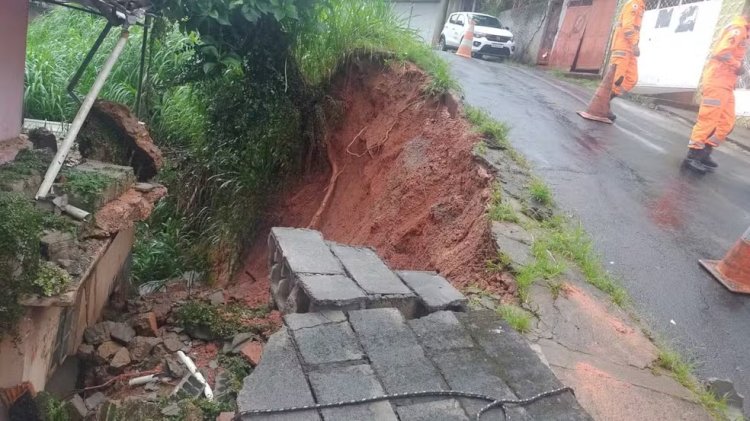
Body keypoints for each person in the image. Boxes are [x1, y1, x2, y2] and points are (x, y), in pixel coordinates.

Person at [684, 15, 750, 173]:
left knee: (726, 122)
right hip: (717, 81)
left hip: (726, 84)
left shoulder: (744, 31)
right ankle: (693, 155)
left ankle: (705, 152)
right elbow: (721, 52)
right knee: (709, 120)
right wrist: (737, 65)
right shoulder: (738, 28)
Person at [609, 0, 645, 121]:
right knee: (617, 79)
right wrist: (635, 44)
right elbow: (627, 27)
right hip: (623, 46)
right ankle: (602, 105)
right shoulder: (633, 4)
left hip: (630, 48)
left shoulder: (641, 6)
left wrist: (634, 45)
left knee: (631, 79)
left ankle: (605, 102)